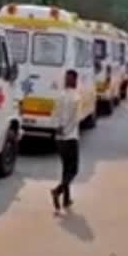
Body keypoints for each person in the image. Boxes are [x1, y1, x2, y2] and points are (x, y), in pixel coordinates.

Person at [51, 69, 80, 213]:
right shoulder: (76, 97)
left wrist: (58, 129)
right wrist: (66, 131)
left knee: (65, 169)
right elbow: (74, 119)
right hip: (70, 138)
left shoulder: (60, 96)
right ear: (75, 80)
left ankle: (66, 199)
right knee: (73, 170)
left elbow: (54, 114)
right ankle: (58, 191)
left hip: (59, 139)